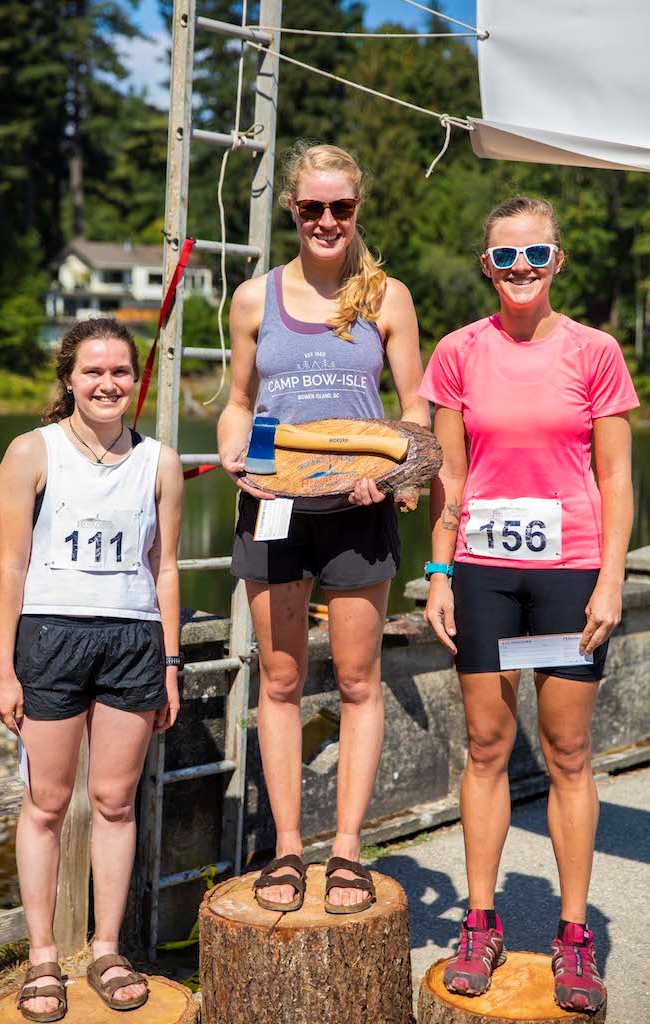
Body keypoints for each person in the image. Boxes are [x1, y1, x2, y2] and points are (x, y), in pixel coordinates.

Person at [420, 196, 638, 1013]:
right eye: (504, 258)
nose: (519, 271)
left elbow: (616, 478)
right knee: (483, 743)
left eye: (534, 257)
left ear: (557, 262)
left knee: (568, 752)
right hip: (482, 571)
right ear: (485, 265)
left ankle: (572, 933)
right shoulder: (456, 352)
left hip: (567, 570)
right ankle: (479, 921)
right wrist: (437, 571)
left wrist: (610, 579)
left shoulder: (594, 351)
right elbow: (448, 476)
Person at [217, 142, 429, 913]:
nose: (327, 220)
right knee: (278, 681)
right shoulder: (253, 298)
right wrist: (233, 443)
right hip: (271, 499)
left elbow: (413, 410)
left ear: (357, 210)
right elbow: (240, 399)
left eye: (341, 207)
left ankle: (345, 850)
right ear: (293, 212)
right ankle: (285, 848)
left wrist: (396, 470)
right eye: (312, 208)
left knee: (355, 681)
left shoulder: (386, 297)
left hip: (358, 507)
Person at [0, 317, 183, 1021]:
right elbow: (9, 567)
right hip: (52, 635)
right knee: (45, 804)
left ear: (135, 381)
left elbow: (163, 568)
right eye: (93, 371)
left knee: (113, 802)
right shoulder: (30, 452)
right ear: (69, 379)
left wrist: (169, 661)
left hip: (132, 640)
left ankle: (106, 946)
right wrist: (7, 670)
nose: (108, 384)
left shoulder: (158, 461)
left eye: (120, 372)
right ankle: (43, 955)